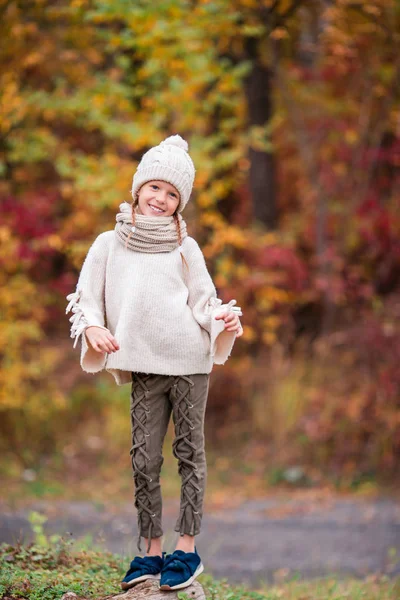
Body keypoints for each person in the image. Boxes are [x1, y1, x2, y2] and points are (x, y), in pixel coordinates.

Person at [65, 134, 243, 591]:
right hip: (145, 365)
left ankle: (186, 549)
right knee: (144, 458)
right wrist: (92, 328)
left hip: (188, 362)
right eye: (154, 188)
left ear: (180, 202)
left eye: (171, 193)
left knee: (189, 453)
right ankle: (149, 550)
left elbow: (205, 303)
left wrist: (222, 317)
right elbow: (85, 299)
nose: (161, 199)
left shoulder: (186, 248)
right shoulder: (109, 244)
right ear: (137, 189)